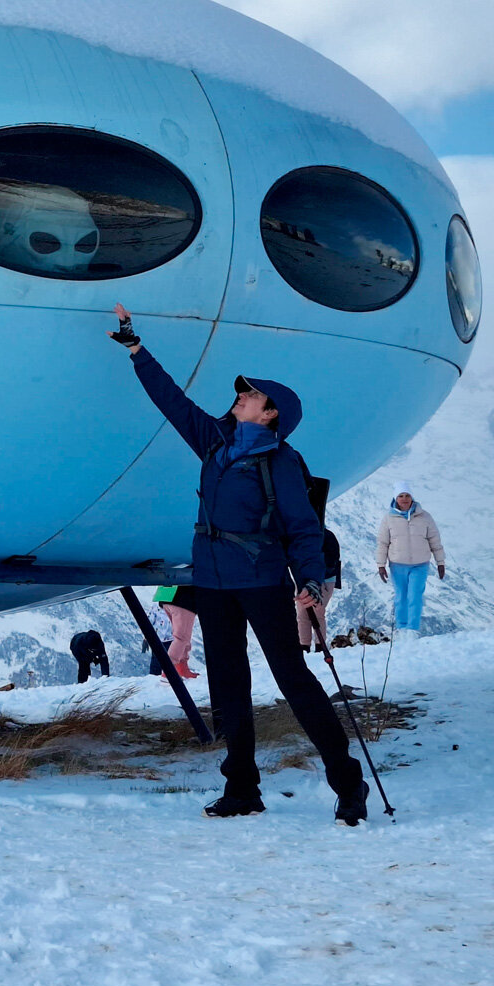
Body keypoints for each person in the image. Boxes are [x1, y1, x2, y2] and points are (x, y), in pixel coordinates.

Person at [110, 304, 370, 825]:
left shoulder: (281, 462)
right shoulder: (217, 442)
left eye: (252, 394)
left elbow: (302, 529)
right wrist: (138, 350)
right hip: (212, 581)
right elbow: (174, 404)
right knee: (229, 684)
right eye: (245, 391)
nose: (242, 395)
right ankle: (242, 789)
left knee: (293, 679)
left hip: (261, 581)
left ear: (270, 413)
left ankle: (348, 783)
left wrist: (312, 584)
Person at [377, 492, 447, 636]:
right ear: (395, 498)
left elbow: (434, 539)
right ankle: (402, 629)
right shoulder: (389, 518)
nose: (404, 499)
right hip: (397, 564)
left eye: (407, 496)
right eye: (400, 496)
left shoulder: (425, 517)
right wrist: (381, 564)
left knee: (415, 596)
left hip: (420, 564)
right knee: (401, 596)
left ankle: (413, 629)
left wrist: (440, 562)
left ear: (412, 498)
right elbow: (383, 543)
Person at [153, 586, 201, 678]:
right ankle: (169, 671)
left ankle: (181, 668)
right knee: (181, 637)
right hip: (183, 599)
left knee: (182, 636)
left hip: (167, 595)